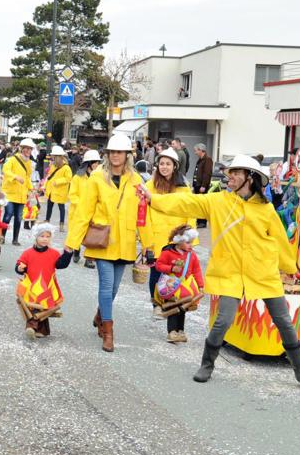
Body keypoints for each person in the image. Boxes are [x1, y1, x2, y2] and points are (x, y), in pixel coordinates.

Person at [137, 155, 300, 389]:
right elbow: (187, 202)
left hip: (262, 273)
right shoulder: (218, 201)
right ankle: (207, 364)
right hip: (230, 273)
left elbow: (280, 241)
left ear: (250, 178)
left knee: (283, 321)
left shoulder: (266, 209)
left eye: (235, 173)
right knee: (223, 321)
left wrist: (291, 268)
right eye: (229, 172)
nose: (229, 176)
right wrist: (154, 200)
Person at [66, 134, 151, 353]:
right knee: (106, 286)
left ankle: (100, 315)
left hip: (126, 242)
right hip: (102, 240)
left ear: (127, 155)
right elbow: (84, 212)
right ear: (107, 154)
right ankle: (108, 331)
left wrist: (149, 245)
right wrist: (71, 245)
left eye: (119, 152)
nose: (115, 155)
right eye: (112, 152)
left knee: (113, 289)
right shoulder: (96, 177)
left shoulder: (136, 180)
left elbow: (143, 214)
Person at [142, 147, 197, 318]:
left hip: (178, 238)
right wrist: (146, 241)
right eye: (161, 164)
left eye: (168, 164)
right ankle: (156, 303)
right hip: (156, 237)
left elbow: (191, 211)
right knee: (157, 272)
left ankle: (172, 305)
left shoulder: (183, 188)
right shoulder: (149, 186)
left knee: (176, 273)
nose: (164, 167)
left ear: (175, 166)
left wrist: (189, 238)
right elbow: (143, 214)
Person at [16, 222, 73, 339]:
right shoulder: (28, 253)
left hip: (47, 287)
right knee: (34, 307)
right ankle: (33, 328)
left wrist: (67, 253)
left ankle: (36, 329)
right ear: (36, 237)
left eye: (48, 237)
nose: (45, 239)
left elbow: (61, 264)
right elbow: (19, 265)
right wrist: (20, 268)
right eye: (42, 236)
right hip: (31, 286)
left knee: (43, 306)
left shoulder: (54, 253)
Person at [153, 224, 204, 343]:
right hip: (171, 287)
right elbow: (158, 265)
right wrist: (171, 268)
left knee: (183, 309)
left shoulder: (192, 255)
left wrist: (200, 285)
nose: (191, 245)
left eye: (191, 242)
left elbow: (197, 270)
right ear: (179, 241)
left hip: (185, 287)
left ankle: (180, 330)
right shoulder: (167, 253)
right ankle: (172, 332)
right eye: (188, 242)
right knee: (173, 309)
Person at [68, 149, 101, 267]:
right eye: (95, 162)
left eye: (98, 162)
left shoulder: (99, 178)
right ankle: (76, 252)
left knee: (90, 235)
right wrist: (83, 205)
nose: (97, 165)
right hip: (78, 212)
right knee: (78, 233)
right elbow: (72, 195)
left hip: (93, 213)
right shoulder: (77, 178)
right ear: (89, 163)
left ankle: (89, 259)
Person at [3, 139, 36, 246]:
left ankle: (15, 239)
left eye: (30, 149)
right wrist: (15, 177)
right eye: (26, 148)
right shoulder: (13, 159)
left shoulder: (29, 162)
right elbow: (5, 170)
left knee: (18, 217)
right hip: (10, 193)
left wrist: (31, 189)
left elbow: (27, 177)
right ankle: (2, 236)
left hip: (22, 194)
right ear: (21, 149)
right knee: (8, 214)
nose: (28, 150)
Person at [44, 146, 72, 232]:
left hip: (60, 190)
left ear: (58, 157)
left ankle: (61, 224)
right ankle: (47, 221)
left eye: (53, 156)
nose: (52, 158)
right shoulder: (53, 165)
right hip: (52, 190)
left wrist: (57, 181)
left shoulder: (66, 167)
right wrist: (45, 185)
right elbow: (50, 175)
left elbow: (68, 178)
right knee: (49, 206)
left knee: (61, 208)